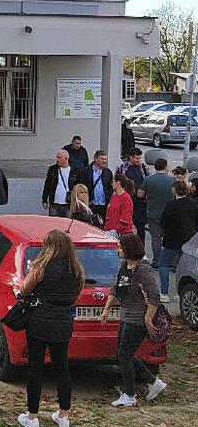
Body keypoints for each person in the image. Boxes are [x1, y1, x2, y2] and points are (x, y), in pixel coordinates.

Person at [16, 230, 84, 427]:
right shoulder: (77, 270)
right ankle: (63, 415)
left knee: (35, 368)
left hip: (39, 321)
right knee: (62, 368)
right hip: (63, 323)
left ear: (49, 246)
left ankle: (32, 416)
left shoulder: (43, 266)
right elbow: (75, 297)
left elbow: (24, 289)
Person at [101, 233, 168, 408]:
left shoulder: (142, 270)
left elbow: (154, 296)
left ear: (130, 249)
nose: (118, 250)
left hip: (137, 319)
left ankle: (130, 395)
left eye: (121, 248)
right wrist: (106, 309)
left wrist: (148, 319)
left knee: (124, 355)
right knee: (123, 354)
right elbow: (115, 289)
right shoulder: (125, 266)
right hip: (126, 315)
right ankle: (153, 382)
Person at [158, 181, 198, 301]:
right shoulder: (191, 204)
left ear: (174, 190)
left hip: (172, 238)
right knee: (182, 266)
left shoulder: (171, 205)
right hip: (188, 238)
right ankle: (178, 293)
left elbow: (163, 222)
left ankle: (164, 293)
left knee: (164, 263)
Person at [139, 157, 175, 271]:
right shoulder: (172, 180)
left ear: (155, 167)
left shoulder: (148, 180)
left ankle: (156, 261)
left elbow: (140, 194)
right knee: (170, 238)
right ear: (166, 167)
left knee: (156, 238)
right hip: (169, 215)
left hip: (153, 213)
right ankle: (171, 261)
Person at [118, 148, 150, 246]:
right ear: (130, 157)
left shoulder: (144, 167)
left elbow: (147, 181)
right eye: (136, 158)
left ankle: (141, 248)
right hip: (126, 200)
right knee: (125, 226)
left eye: (139, 158)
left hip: (139, 201)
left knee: (140, 226)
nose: (138, 161)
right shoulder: (122, 167)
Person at [41, 149, 82, 218]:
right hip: (54, 203)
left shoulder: (75, 170)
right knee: (54, 224)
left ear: (66, 158)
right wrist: (44, 200)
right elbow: (47, 185)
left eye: (59, 157)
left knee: (67, 224)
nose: (57, 159)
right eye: (57, 157)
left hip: (69, 203)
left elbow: (79, 186)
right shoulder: (53, 169)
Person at [85, 150, 114, 221]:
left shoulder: (108, 172)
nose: (104, 161)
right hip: (91, 203)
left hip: (104, 204)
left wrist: (108, 198)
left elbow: (111, 187)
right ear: (95, 159)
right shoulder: (86, 171)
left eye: (105, 159)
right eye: (102, 159)